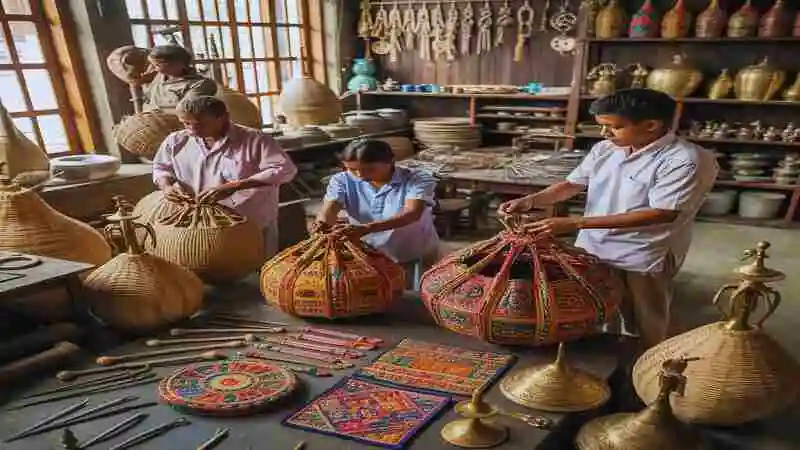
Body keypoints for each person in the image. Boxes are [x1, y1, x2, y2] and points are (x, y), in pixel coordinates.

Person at [498, 88, 718, 349]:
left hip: (642, 252)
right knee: (598, 309)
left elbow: (662, 213)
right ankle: (604, 362)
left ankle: (644, 370)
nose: (604, 134)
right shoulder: (606, 149)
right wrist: (531, 200)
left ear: (651, 125)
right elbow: (572, 184)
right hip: (594, 246)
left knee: (643, 319)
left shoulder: (685, 160)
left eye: (614, 127)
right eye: (602, 126)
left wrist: (573, 223)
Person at [152, 95, 297, 258]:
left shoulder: (256, 140)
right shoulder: (176, 141)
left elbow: (284, 170)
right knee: (212, 268)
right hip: (202, 224)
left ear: (224, 118)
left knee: (257, 270)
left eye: (200, 124)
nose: (192, 130)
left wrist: (236, 186)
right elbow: (161, 167)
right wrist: (166, 186)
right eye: (186, 123)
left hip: (249, 221)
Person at [313, 139, 441, 287]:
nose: (360, 175)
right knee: (374, 295)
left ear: (392, 161)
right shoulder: (342, 180)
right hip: (367, 254)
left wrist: (366, 228)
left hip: (411, 252)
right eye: (352, 169)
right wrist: (322, 224)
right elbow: (329, 209)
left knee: (414, 297)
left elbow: (412, 213)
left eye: (370, 169)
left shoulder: (418, 179)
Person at [135, 45, 218, 112]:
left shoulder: (201, 84)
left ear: (178, 64)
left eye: (157, 65)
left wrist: (157, 112)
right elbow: (146, 103)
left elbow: (187, 110)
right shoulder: (157, 80)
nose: (152, 69)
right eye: (151, 65)